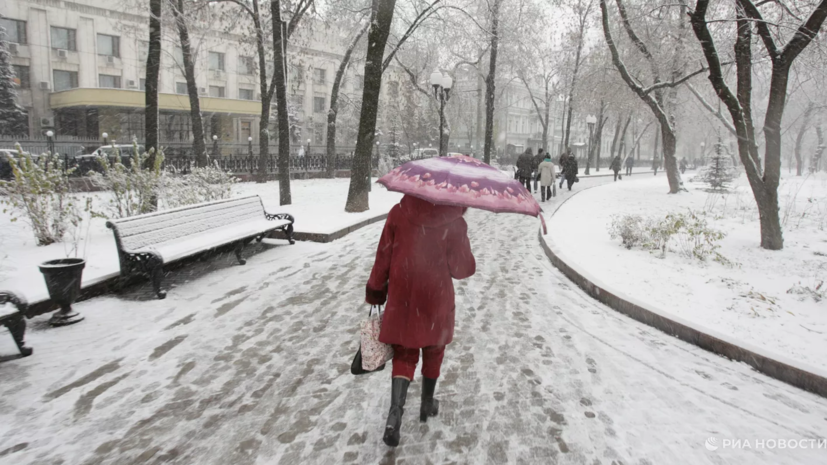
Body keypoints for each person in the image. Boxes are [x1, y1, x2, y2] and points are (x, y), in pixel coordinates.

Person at [366, 195, 476, 447]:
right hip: (436, 296)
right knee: (434, 347)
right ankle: (427, 403)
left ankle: (395, 412)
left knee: (405, 354)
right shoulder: (454, 220)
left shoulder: (398, 212)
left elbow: (383, 257)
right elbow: (462, 269)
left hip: (403, 294)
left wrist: (375, 290)